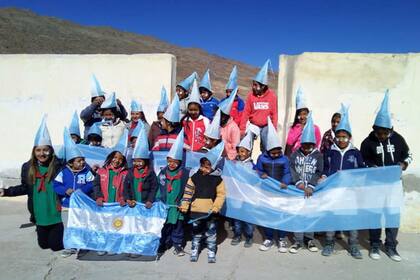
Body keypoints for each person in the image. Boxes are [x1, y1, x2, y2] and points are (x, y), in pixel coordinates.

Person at [360, 90, 412, 262]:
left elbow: (409, 155)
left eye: (385, 133)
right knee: (375, 215)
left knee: (392, 215)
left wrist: (403, 164)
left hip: (394, 185)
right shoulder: (368, 142)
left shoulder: (398, 140)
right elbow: (363, 161)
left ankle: (390, 246)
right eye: (379, 133)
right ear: (374, 130)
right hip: (375, 186)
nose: (382, 136)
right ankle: (375, 244)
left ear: (390, 129)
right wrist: (371, 167)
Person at [0, 116, 64, 251]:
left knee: (56, 246)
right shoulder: (28, 167)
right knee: (43, 245)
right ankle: (41, 228)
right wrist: (6, 192)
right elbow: (24, 187)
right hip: (38, 212)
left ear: (51, 151)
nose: (42, 153)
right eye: (38, 150)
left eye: (45, 150)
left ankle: (58, 232)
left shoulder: (58, 165)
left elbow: (75, 171)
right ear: (34, 152)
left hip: (54, 210)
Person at [321, 106, 364, 259]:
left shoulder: (355, 153)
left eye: (344, 137)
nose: (341, 140)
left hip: (350, 192)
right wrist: (324, 176)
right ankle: (329, 242)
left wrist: (358, 184)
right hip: (333, 191)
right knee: (331, 217)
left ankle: (353, 245)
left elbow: (361, 171)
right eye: (338, 137)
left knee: (351, 218)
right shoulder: (330, 152)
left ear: (349, 138)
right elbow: (326, 169)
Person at [180, 142, 226, 263]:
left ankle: (211, 250)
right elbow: (188, 192)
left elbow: (221, 195)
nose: (203, 169)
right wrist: (185, 205)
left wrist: (216, 207)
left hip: (211, 212)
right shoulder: (194, 177)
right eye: (202, 166)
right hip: (196, 211)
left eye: (207, 167)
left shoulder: (218, 179)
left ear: (213, 167)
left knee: (211, 233)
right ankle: (195, 249)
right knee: (196, 233)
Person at [53, 128, 94, 257]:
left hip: (81, 205)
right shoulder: (63, 172)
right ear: (71, 162)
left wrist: (81, 191)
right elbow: (55, 185)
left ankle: (82, 245)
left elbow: (92, 183)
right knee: (69, 226)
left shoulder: (86, 172)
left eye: (83, 160)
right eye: (79, 161)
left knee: (82, 225)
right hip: (67, 205)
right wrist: (66, 190)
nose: (82, 162)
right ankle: (70, 247)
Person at [255, 117, 291, 253]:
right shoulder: (262, 158)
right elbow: (257, 170)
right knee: (267, 214)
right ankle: (269, 238)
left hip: (280, 191)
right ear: (268, 150)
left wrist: (285, 182)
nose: (276, 155)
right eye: (273, 152)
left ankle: (281, 238)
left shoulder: (285, 159)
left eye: (278, 152)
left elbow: (287, 173)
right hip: (266, 191)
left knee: (280, 214)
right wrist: (261, 174)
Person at [289, 112, 323, 254]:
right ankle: (297, 241)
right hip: (298, 190)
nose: (307, 149)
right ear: (301, 143)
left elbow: (318, 171)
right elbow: (292, 168)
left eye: (310, 146)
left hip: (311, 190)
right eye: (304, 146)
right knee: (298, 215)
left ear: (314, 144)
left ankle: (309, 239)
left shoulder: (318, 155)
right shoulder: (295, 154)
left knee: (310, 214)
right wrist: (298, 183)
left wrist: (310, 186)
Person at [93, 131, 129, 256]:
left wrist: (124, 198)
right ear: (110, 157)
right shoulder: (101, 171)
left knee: (116, 225)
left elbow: (128, 188)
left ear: (123, 161)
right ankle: (102, 245)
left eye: (120, 159)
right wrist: (98, 197)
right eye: (114, 157)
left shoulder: (126, 173)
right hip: (104, 204)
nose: (116, 161)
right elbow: (96, 185)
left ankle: (114, 246)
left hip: (118, 206)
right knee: (103, 225)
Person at [155, 130, 190, 256]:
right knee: (164, 227)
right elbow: (159, 187)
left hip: (177, 207)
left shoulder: (184, 174)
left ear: (180, 162)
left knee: (178, 228)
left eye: (175, 162)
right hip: (165, 206)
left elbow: (188, 190)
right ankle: (162, 244)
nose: (172, 164)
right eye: (169, 161)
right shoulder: (163, 172)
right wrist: (158, 200)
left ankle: (177, 245)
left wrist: (184, 202)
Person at [239, 59, 277, 152]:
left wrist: (274, 129)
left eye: (256, 85)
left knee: (266, 138)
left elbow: (274, 113)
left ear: (263, 86)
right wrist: (242, 129)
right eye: (253, 85)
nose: (253, 87)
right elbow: (246, 112)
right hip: (254, 124)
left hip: (266, 125)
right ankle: (246, 158)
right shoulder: (250, 96)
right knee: (247, 138)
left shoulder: (272, 96)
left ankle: (265, 156)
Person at [230, 132, 255, 247]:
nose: (240, 154)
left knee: (248, 219)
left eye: (243, 151)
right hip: (237, 195)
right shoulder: (234, 163)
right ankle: (237, 235)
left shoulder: (252, 166)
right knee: (237, 218)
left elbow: (252, 179)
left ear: (249, 152)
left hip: (248, 197)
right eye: (239, 151)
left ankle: (249, 237)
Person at [123, 128, 157, 209]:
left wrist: (150, 200)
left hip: (145, 204)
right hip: (132, 204)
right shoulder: (131, 172)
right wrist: (128, 199)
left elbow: (154, 188)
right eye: (135, 161)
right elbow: (126, 187)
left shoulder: (150, 173)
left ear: (145, 161)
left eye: (140, 161)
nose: (137, 164)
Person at [285, 88, 321, 157]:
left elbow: (317, 145)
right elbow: (289, 144)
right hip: (295, 157)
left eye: (304, 114)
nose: (302, 117)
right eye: (299, 114)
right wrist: (298, 130)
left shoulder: (315, 128)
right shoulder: (294, 128)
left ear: (308, 114)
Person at [182, 79, 209, 152]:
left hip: (201, 152)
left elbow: (208, 137)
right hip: (187, 152)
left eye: (195, 110)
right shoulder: (184, 121)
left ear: (199, 109)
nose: (193, 112)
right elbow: (183, 136)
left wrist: (204, 148)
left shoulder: (205, 120)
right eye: (191, 110)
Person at [219, 87, 241, 160]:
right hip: (218, 154)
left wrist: (230, 157)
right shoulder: (218, 125)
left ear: (226, 116)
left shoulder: (234, 128)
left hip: (229, 156)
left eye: (221, 116)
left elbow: (235, 145)